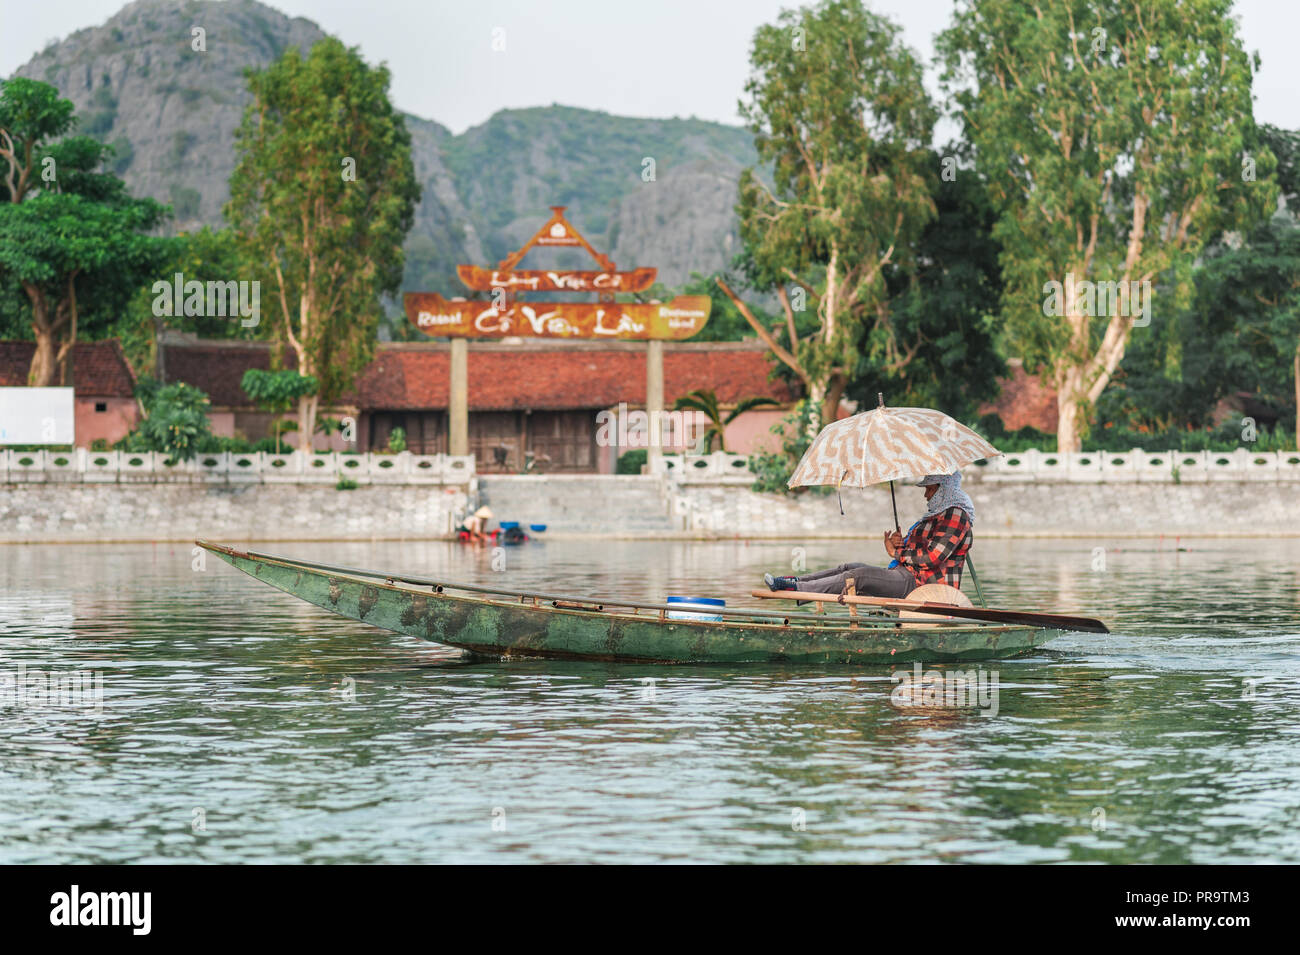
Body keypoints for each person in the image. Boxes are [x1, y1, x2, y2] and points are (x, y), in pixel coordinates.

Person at [764, 471, 975, 599]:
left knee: (860, 577)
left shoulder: (956, 514)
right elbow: (918, 551)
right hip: (910, 575)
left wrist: (896, 554)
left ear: (944, 489)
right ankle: (795, 581)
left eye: (930, 489)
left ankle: (797, 588)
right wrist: (899, 545)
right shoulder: (935, 515)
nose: (926, 494)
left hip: (925, 586)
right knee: (851, 567)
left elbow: (932, 558)